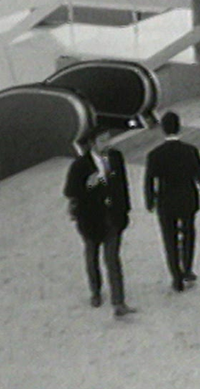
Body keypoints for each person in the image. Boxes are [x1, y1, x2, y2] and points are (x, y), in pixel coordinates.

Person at [63, 131, 137, 317]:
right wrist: (89, 186)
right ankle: (95, 290)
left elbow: (123, 184)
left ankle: (118, 302)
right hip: (90, 219)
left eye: (108, 138)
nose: (107, 143)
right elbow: (70, 191)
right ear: (92, 143)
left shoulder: (115, 157)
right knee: (92, 255)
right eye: (102, 140)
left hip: (113, 217)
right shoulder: (80, 165)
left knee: (113, 259)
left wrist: (126, 210)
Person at [144, 111, 200, 292]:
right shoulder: (190, 151)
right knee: (189, 233)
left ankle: (176, 276)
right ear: (180, 127)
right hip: (187, 198)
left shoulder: (154, 155)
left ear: (163, 129)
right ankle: (188, 268)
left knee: (170, 238)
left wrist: (149, 200)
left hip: (166, 201)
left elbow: (149, 180)